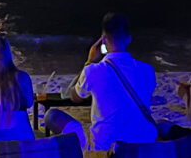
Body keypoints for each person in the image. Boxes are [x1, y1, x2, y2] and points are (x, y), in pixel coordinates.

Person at [45, 13, 157, 152]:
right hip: (142, 147)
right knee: (161, 125)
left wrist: (90, 61)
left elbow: (75, 97)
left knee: (52, 115)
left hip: (104, 149)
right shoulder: (147, 70)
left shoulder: (93, 70)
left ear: (103, 40)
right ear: (129, 39)